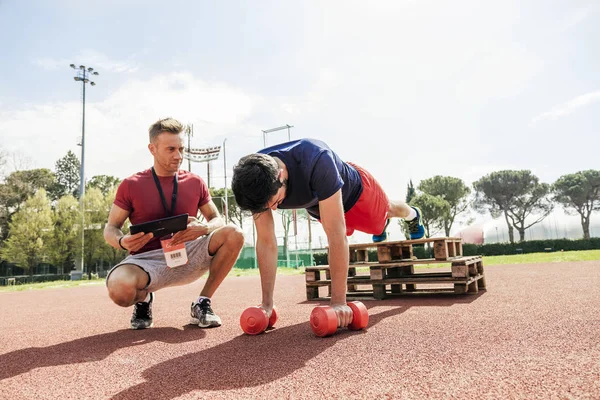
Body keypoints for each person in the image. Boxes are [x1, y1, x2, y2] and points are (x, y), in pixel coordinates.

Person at [231, 138, 425, 328]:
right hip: (322, 207)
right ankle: (383, 225)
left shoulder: (316, 159)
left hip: (359, 195)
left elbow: (336, 234)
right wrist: (267, 305)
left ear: (281, 175)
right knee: (371, 226)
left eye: (274, 202)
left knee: (386, 212)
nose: (272, 210)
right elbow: (266, 242)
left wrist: (339, 302)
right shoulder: (255, 183)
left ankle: (413, 215)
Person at [104, 117, 244, 330]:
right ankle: (144, 300)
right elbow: (110, 228)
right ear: (152, 148)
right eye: (170, 149)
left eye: (181, 149)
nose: (178, 156)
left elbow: (218, 220)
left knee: (234, 233)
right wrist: (123, 241)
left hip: (189, 251)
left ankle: (202, 303)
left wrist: (205, 228)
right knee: (119, 289)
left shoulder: (195, 182)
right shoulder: (131, 184)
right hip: (147, 259)